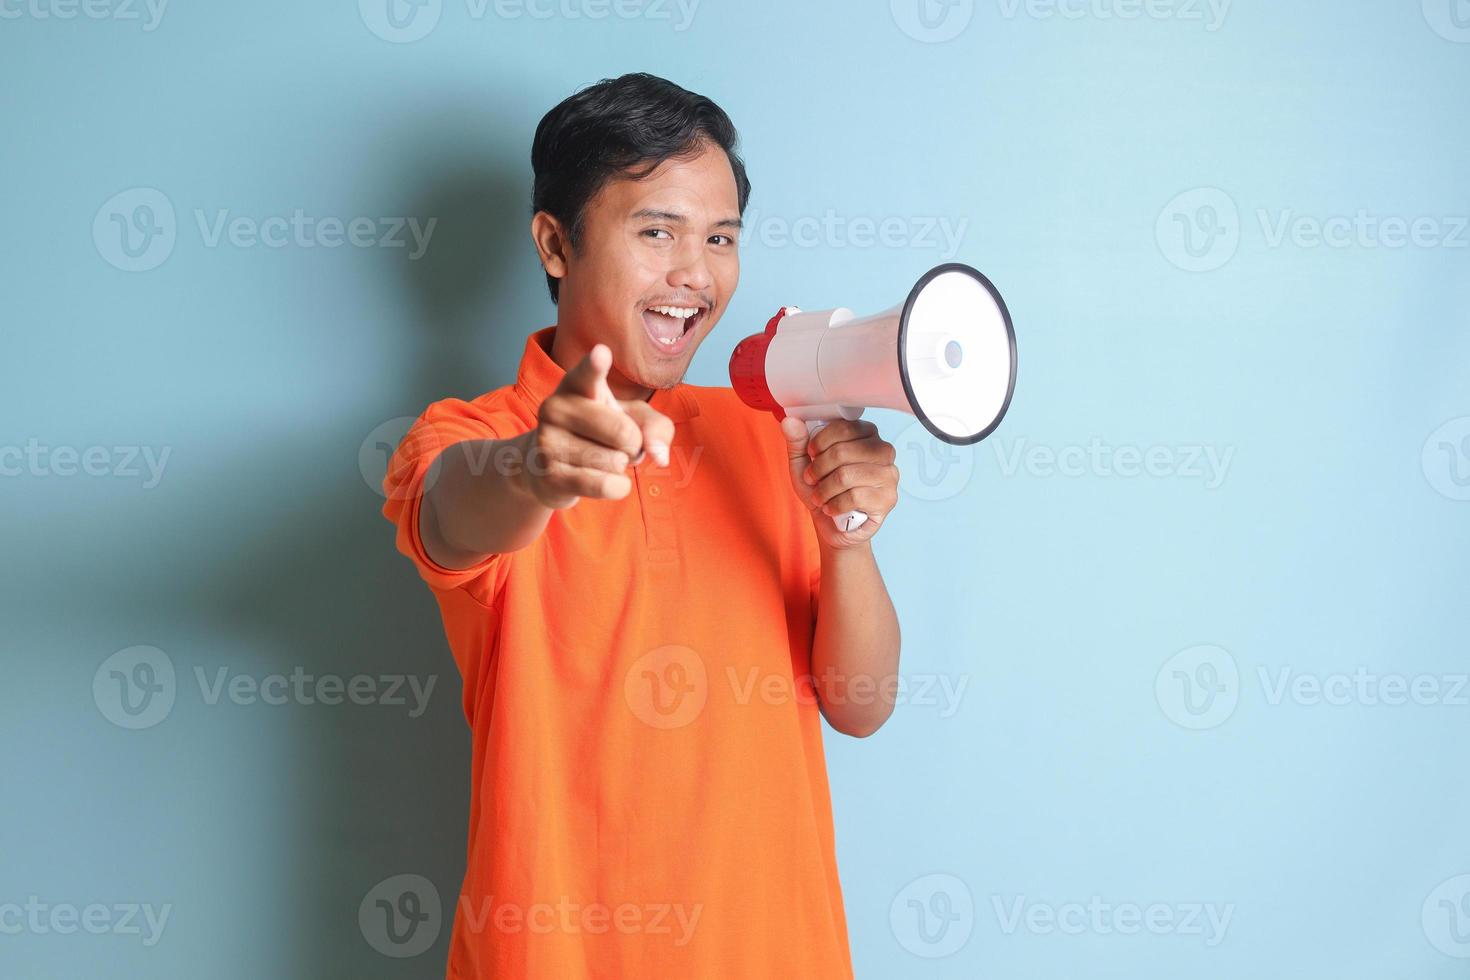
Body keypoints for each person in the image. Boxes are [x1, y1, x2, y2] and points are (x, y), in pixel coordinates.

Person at [382, 71, 901, 979]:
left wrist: (846, 538)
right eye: (656, 230)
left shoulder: (765, 430)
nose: (694, 274)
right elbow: (455, 511)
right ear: (555, 242)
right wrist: (536, 468)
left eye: (720, 238)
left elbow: (862, 707)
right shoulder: (473, 436)